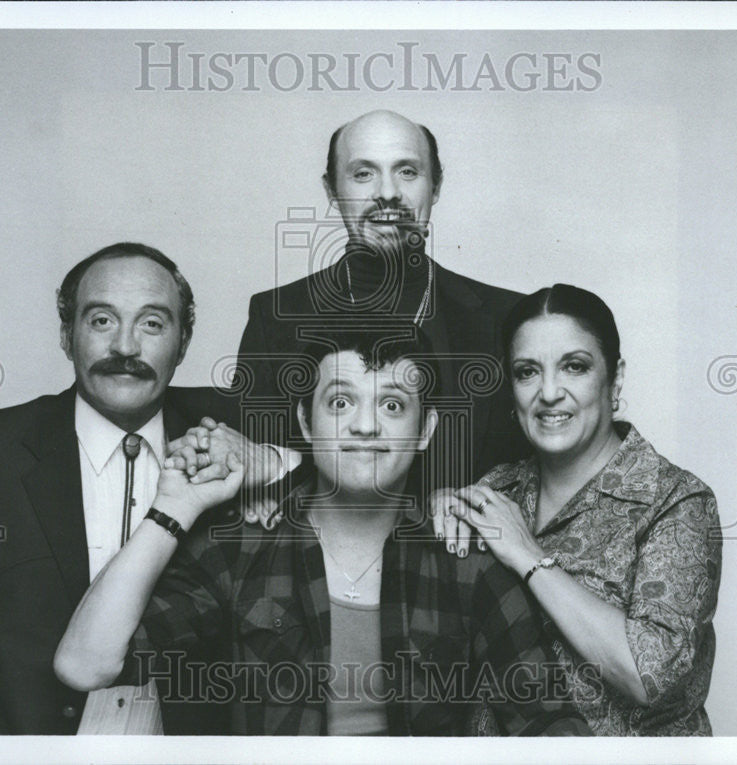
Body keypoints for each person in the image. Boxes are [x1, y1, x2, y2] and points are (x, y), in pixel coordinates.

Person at [54, 327, 591, 736]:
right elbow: (85, 665)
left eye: (392, 404)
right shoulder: (241, 546)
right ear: (307, 424)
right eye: (341, 402)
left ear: (425, 430)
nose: (365, 425)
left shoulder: (463, 556)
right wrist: (171, 511)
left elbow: (549, 727)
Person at [0, 243, 238, 734]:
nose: (126, 348)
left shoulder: (230, 434)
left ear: (184, 342)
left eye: (152, 323)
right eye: (101, 321)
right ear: (67, 336)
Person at [220, 110, 528, 548]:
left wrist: (463, 502)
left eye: (407, 171)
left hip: (463, 591)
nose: (388, 193)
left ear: (435, 186)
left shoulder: (506, 318)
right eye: (363, 173)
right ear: (332, 189)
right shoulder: (275, 316)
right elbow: (257, 477)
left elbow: (533, 477)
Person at [441, 284, 722, 735]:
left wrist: (529, 556)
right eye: (528, 371)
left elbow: (649, 676)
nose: (549, 392)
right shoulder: (494, 489)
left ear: (615, 378)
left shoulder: (675, 500)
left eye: (574, 367)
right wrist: (439, 506)